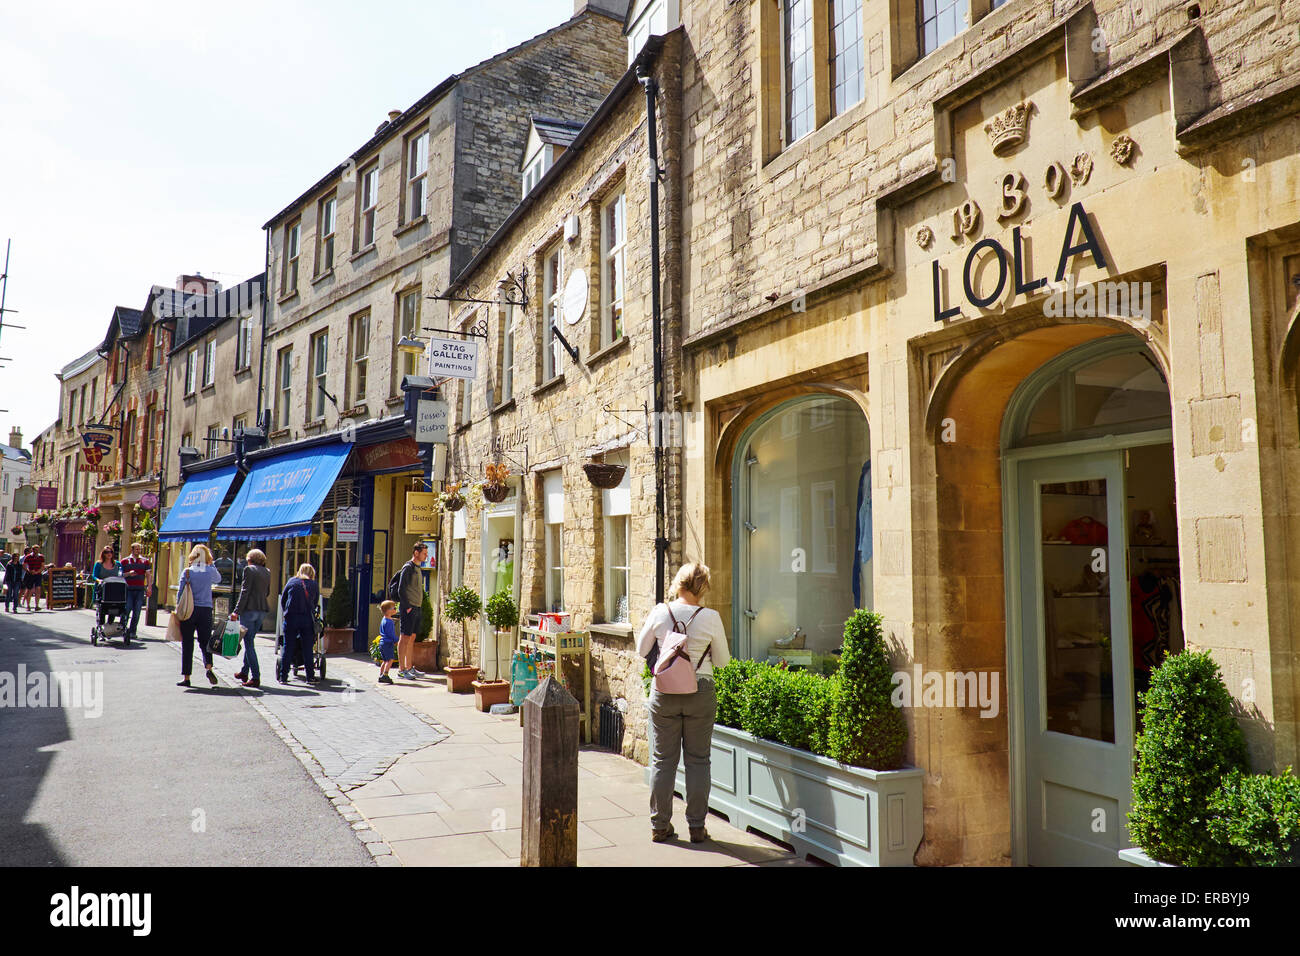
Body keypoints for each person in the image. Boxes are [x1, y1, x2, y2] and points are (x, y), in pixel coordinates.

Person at [638, 562, 731, 844]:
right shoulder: (711, 617)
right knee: (698, 761)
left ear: (678, 583)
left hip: (664, 692)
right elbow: (724, 662)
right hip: (700, 692)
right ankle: (696, 827)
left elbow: (641, 650)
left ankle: (659, 826)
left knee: (663, 760)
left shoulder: (659, 612)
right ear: (703, 588)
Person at [175, 544, 221, 688]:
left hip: (189, 610)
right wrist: (211, 563)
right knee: (205, 642)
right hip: (205, 610)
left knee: (187, 643)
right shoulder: (209, 571)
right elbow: (218, 579)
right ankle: (208, 667)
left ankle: (186, 677)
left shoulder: (188, 571)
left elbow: (180, 592)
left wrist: (178, 610)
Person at [230, 549, 271, 688]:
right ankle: (244, 671)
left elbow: (244, 592)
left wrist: (236, 611)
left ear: (250, 559)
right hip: (262, 610)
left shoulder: (248, 570)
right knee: (250, 640)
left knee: (249, 644)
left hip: (249, 610)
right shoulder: (267, 572)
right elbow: (268, 592)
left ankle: (256, 677)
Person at [278, 563, 319, 684]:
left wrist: (286, 612)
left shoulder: (292, 581)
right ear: (312, 573)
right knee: (307, 648)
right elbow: (315, 602)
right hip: (306, 618)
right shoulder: (313, 584)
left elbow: (283, 599)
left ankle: (283, 676)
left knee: (288, 646)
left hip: (291, 618)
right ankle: (310, 676)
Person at [396, 543, 429, 680]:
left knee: (412, 637)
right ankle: (401, 669)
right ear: (416, 553)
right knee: (404, 638)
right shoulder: (408, 567)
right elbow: (401, 589)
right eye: (424, 553)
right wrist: (407, 606)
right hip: (409, 608)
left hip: (417, 607)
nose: (426, 556)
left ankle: (409, 667)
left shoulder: (418, 568)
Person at [119, 541, 152, 639]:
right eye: (137, 549)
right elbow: (120, 575)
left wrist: (149, 587)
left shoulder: (145, 561)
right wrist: (129, 573)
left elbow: (148, 575)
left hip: (140, 589)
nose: (139, 551)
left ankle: (133, 631)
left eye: (139, 549)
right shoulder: (124, 561)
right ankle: (122, 629)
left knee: (137, 612)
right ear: (132, 550)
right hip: (128, 589)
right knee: (127, 609)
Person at [91, 546, 123, 625]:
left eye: (110, 552)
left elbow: (121, 575)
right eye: (106, 552)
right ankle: (101, 627)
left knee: (114, 608)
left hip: (114, 589)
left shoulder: (117, 564)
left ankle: (109, 625)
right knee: (102, 610)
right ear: (103, 554)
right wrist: (99, 580)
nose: (109, 554)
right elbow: (94, 576)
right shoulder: (99, 564)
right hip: (103, 589)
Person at [377, 600, 399, 684]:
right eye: (394, 608)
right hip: (387, 643)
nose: (395, 609)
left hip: (382, 642)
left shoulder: (384, 619)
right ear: (389, 610)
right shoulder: (389, 622)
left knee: (385, 660)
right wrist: (396, 640)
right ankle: (385, 675)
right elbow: (390, 634)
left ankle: (381, 675)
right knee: (390, 660)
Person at [22, 546, 45, 612]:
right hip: (30, 574)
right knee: (29, 590)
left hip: (38, 575)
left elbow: (42, 566)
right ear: (33, 550)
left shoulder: (41, 557)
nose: (37, 551)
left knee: (38, 589)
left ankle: (36, 605)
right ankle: (28, 605)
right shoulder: (28, 556)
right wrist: (28, 571)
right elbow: (24, 565)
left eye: (38, 550)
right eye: (35, 550)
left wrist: (37, 572)